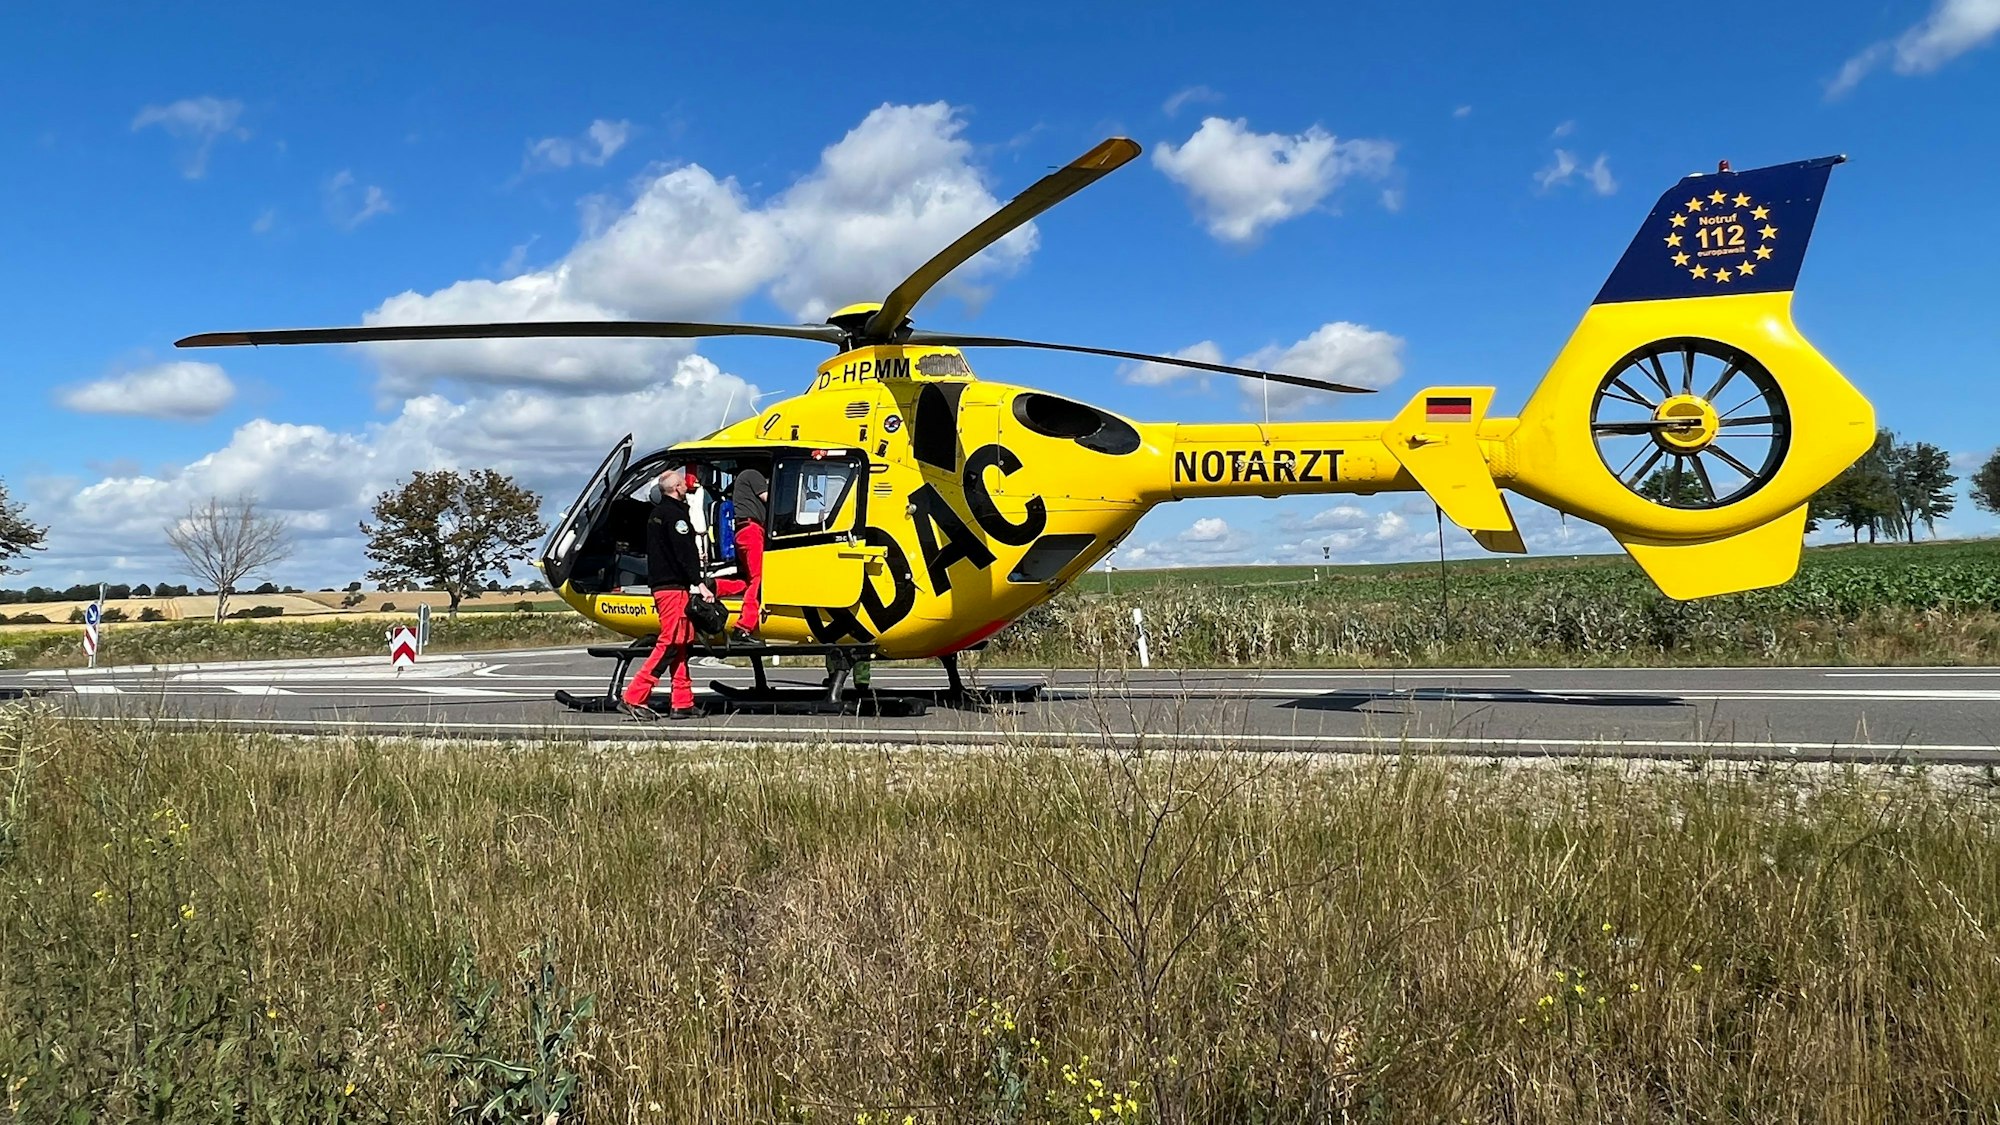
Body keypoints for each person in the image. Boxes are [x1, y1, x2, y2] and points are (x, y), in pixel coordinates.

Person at [620, 467, 714, 721]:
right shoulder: (675, 517)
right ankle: (634, 696)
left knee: (682, 643)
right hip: (673, 587)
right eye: (684, 483)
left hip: (664, 585)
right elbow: (683, 552)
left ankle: (682, 701)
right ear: (675, 489)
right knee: (671, 641)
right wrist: (699, 583)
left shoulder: (656, 515)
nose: (687, 486)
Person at [726, 464, 768, 640]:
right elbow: (770, 499)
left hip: (745, 531)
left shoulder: (743, 478)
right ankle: (744, 627)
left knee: (749, 580)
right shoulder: (753, 472)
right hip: (752, 530)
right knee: (758, 580)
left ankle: (717, 586)